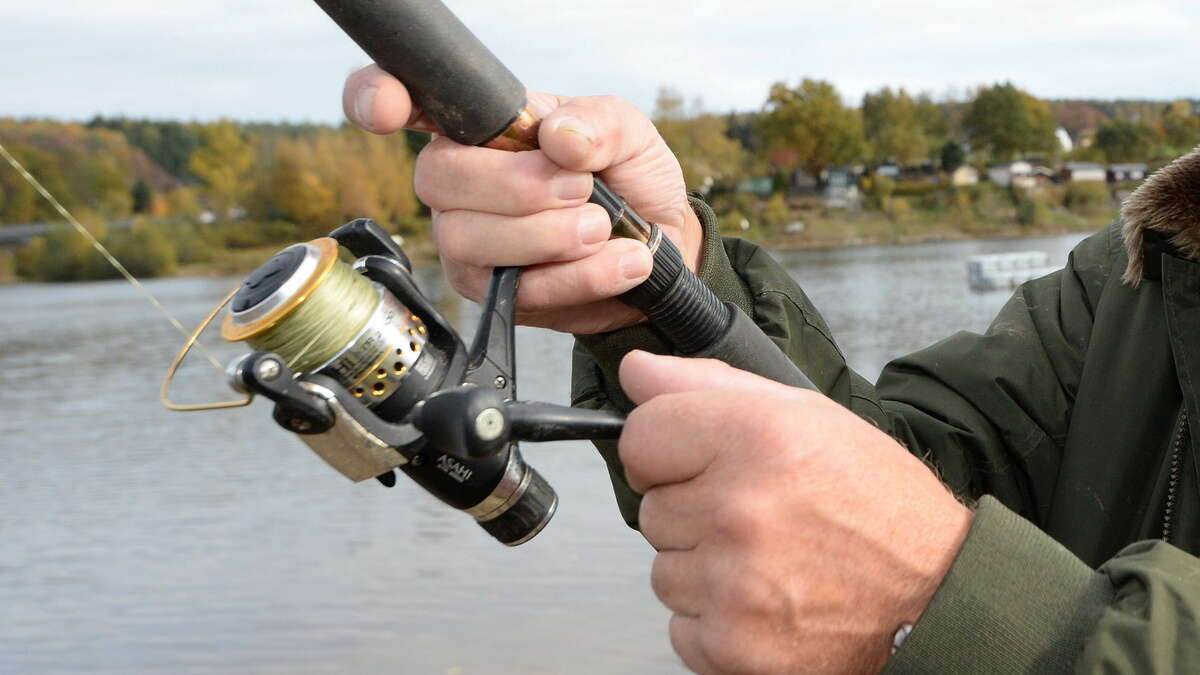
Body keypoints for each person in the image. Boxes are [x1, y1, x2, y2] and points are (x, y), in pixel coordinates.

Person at [342, 64, 1200, 672]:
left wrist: (947, 597)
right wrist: (658, 281)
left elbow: (920, 546)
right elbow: (909, 478)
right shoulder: (1143, 276)